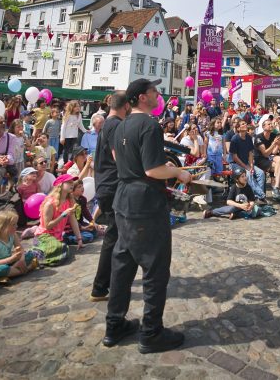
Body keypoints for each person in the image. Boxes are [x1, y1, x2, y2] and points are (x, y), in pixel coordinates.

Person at [104, 78, 190, 354]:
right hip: (145, 205)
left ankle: (114, 325)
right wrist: (178, 172)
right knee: (155, 271)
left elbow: (122, 160)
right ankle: (151, 333)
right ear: (142, 97)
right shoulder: (150, 125)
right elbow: (153, 170)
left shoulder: (120, 125)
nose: (158, 94)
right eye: (154, 91)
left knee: (122, 267)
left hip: (124, 199)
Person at [90, 91, 129, 303]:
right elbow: (119, 157)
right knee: (114, 237)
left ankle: (110, 281)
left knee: (118, 236)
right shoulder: (115, 125)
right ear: (126, 106)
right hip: (112, 187)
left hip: (107, 186)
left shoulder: (108, 123)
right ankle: (100, 287)